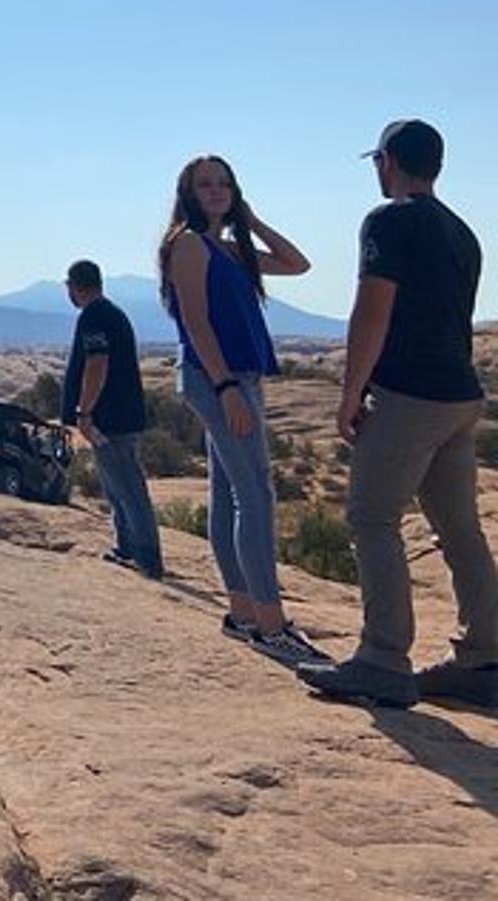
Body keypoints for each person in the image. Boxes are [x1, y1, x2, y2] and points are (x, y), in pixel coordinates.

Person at [298, 121, 497, 708]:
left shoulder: (388, 221)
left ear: (387, 161)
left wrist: (350, 393)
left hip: (410, 395)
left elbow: (372, 313)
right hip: (460, 396)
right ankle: (487, 659)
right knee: (460, 527)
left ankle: (383, 659)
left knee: (372, 518)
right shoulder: (462, 231)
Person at [160, 155, 327, 665]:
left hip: (231, 378)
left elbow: (299, 263)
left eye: (223, 183)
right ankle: (271, 624)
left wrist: (249, 221)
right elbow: (196, 321)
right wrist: (227, 385)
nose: (215, 190)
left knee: (230, 492)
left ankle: (243, 613)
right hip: (221, 378)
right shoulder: (188, 245)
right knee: (256, 495)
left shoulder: (227, 248)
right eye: (204, 184)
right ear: (187, 194)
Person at [61, 260, 163, 578]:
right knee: (117, 487)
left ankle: (147, 559)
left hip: (110, 418)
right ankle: (126, 548)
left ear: (74, 287)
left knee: (128, 488)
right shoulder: (111, 313)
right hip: (120, 415)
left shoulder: (94, 316)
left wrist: (85, 410)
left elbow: (97, 363)